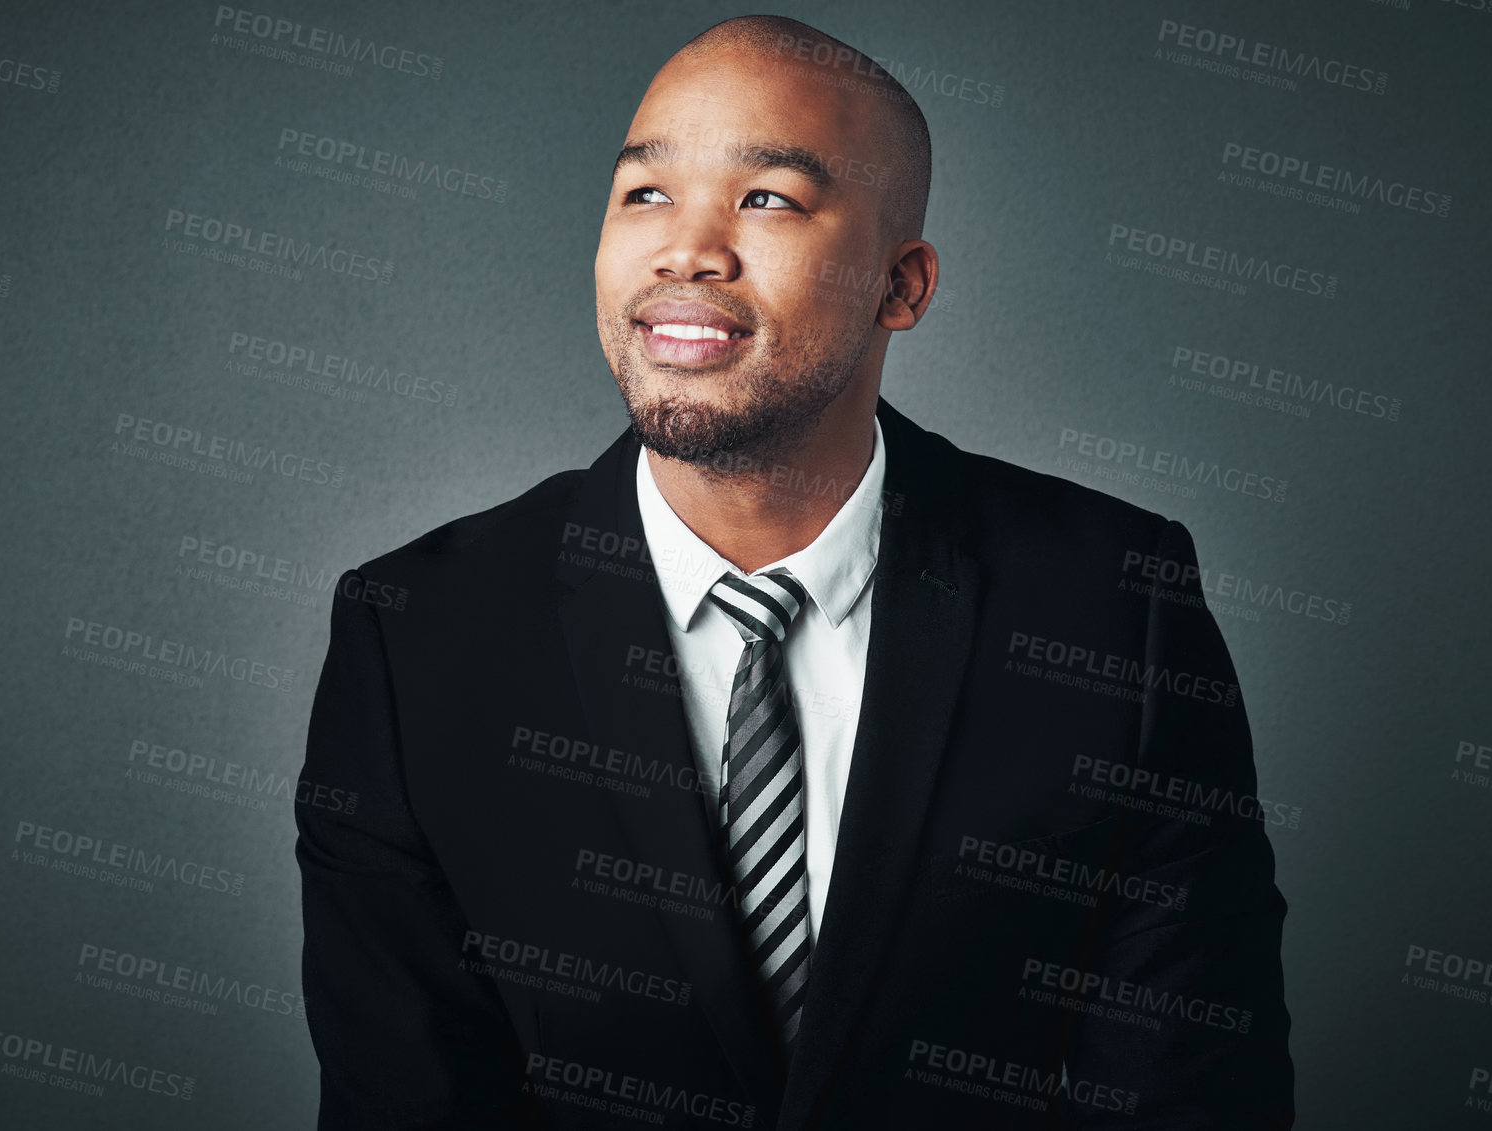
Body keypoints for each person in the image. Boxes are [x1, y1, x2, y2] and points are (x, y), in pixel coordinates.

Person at [296, 14, 1293, 1129]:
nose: (688, 250)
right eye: (644, 194)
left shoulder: (1114, 606)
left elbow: (1193, 1089)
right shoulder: (418, 634)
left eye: (767, 197)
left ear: (901, 287)